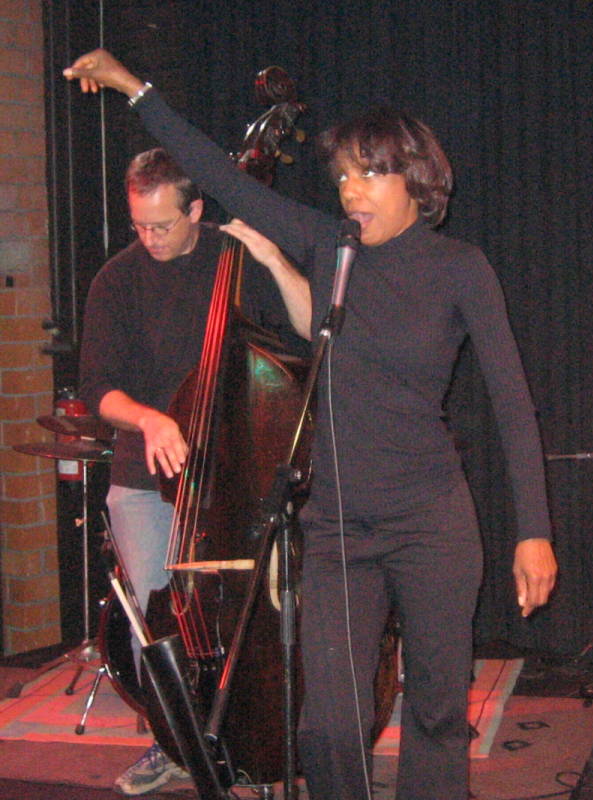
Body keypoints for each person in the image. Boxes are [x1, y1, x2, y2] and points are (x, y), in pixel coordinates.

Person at [66, 51, 558, 800]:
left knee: (434, 713)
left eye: (367, 173)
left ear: (414, 179)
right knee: (328, 724)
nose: (348, 189)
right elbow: (225, 180)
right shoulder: (336, 252)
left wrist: (534, 530)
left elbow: (513, 405)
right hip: (337, 530)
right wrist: (140, 94)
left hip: (432, 521)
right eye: (343, 176)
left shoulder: (463, 268)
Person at [78, 146, 311, 796]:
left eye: (161, 225)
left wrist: (273, 258)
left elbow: (305, 333)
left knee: (247, 619)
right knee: (163, 623)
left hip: (237, 476)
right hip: (143, 474)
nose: (148, 238)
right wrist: (152, 418)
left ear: (198, 210)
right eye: (138, 225)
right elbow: (98, 387)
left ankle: (264, 741)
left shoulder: (231, 256)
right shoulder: (117, 281)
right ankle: (174, 743)